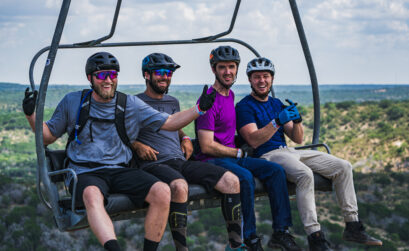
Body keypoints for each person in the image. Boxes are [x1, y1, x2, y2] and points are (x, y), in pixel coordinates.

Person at [22, 52, 216, 251]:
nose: (108, 80)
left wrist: (199, 109)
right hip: (85, 171)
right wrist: (32, 115)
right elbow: (47, 136)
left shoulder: (129, 104)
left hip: (120, 169)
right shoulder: (73, 102)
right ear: (90, 78)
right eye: (102, 75)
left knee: (162, 191)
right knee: (91, 195)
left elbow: (170, 122)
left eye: (113, 75)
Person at [235, 57, 383, 251]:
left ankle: (353, 224)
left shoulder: (276, 103)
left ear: (272, 79)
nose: (262, 81)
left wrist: (297, 121)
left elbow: (297, 139)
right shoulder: (245, 106)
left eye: (266, 76)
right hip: (268, 155)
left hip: (289, 150)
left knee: (343, 167)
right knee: (305, 174)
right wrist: (276, 122)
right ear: (250, 80)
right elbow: (253, 139)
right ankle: (315, 237)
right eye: (257, 77)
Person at [131, 52, 245, 251]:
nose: (165, 77)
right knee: (180, 186)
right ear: (146, 75)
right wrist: (136, 145)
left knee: (232, 181)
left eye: (168, 73)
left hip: (179, 160)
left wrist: (184, 137)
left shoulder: (172, 102)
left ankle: (236, 245)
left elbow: (173, 123)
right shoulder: (134, 103)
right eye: (159, 72)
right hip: (155, 163)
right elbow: (121, 131)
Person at [194, 46, 301, 251]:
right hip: (211, 158)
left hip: (233, 155)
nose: (227, 72)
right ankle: (249, 238)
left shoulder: (230, 95)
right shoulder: (209, 99)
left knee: (275, 170)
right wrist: (237, 152)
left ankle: (281, 231)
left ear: (237, 69)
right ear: (213, 69)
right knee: (244, 177)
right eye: (222, 67)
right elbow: (207, 146)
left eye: (232, 67)